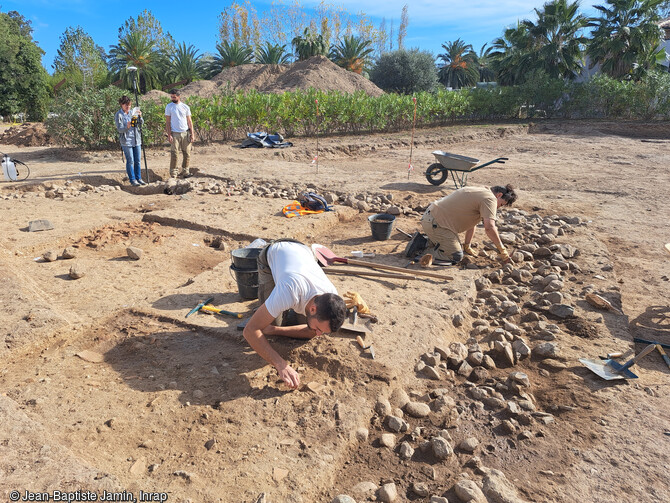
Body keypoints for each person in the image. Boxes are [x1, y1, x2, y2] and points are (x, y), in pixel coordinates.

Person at [243, 240, 347, 390]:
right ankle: (270, 307)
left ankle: (274, 314)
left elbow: (312, 332)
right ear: (313, 309)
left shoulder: (331, 296)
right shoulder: (289, 289)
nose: (319, 335)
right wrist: (281, 365)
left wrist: (274, 331)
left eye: (322, 331)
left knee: (274, 328)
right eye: (320, 328)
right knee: (270, 323)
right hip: (273, 254)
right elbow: (250, 330)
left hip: (303, 252)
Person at [419, 184, 518, 265]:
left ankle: (427, 242)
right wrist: (503, 251)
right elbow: (490, 227)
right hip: (437, 224)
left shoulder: (481, 191)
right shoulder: (490, 199)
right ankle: (419, 250)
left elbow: (472, 222)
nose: (498, 208)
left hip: (432, 219)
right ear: (499, 195)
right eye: (501, 204)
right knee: (455, 256)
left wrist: (467, 245)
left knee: (454, 247)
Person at [115, 95, 145, 186]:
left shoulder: (133, 112)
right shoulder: (119, 114)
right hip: (126, 141)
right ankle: (132, 179)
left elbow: (141, 123)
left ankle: (139, 178)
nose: (128, 107)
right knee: (130, 160)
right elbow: (119, 129)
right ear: (121, 105)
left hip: (136, 140)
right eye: (126, 105)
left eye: (129, 105)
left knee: (138, 160)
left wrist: (140, 117)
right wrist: (127, 127)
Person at [164, 89, 195, 178]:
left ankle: (185, 171)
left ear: (179, 96)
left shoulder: (185, 107)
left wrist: (192, 133)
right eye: (171, 97)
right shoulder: (169, 107)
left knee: (187, 153)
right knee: (174, 153)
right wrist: (169, 134)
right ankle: (173, 173)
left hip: (185, 132)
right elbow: (168, 122)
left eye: (174, 97)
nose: (172, 98)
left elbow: (189, 121)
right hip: (175, 134)